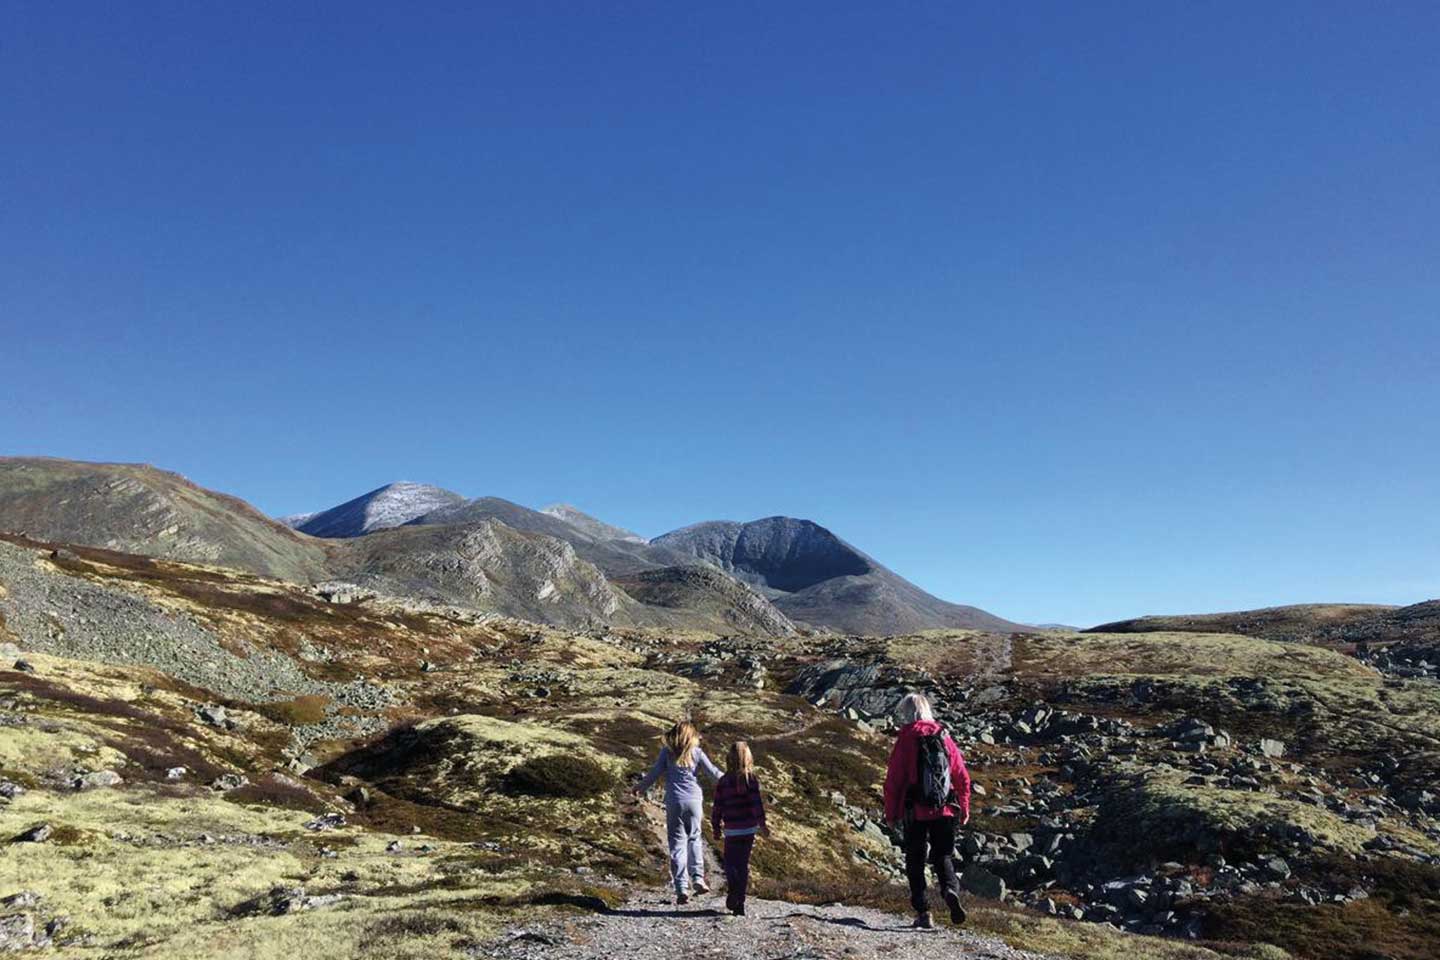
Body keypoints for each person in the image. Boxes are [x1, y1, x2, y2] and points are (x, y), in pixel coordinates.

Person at [883, 692, 971, 929]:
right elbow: (961, 775)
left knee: (915, 859)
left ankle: (924, 912)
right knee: (943, 855)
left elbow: (894, 781)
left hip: (916, 811)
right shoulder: (943, 736)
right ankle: (950, 890)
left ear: (907, 713)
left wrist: (891, 814)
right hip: (945, 810)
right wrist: (964, 807)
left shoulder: (906, 738)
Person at [633, 719, 722, 904]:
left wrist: (640, 787)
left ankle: (681, 887)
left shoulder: (667, 753)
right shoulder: (697, 753)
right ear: (692, 736)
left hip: (674, 801)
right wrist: (734, 780)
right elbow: (713, 773)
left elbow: (654, 774)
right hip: (694, 801)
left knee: (677, 843)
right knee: (694, 838)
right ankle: (698, 878)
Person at [711, 740, 770, 916]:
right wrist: (762, 825)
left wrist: (715, 827)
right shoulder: (750, 779)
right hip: (748, 829)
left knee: (730, 863)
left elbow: (717, 807)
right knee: (742, 864)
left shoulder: (723, 781)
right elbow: (756, 804)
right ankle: (740, 903)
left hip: (731, 830)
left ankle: (733, 891)